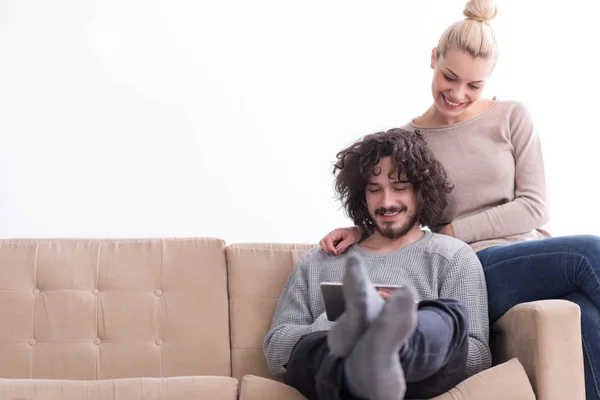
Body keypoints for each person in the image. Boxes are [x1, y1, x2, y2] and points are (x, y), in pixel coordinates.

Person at [318, 0, 600, 398]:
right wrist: (359, 226)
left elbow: (536, 206)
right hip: (473, 266)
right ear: (433, 58)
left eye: (473, 85)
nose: (457, 94)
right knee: (590, 251)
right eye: (449, 77)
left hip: (535, 255)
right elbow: (396, 202)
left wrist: (454, 227)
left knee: (584, 316)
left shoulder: (512, 117)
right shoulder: (408, 141)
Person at [264, 129, 491, 400]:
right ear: (362, 196)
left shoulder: (453, 257)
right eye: (374, 190)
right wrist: (340, 324)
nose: (386, 202)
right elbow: (275, 350)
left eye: (400, 188)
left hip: (412, 378)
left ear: (421, 191)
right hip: (341, 376)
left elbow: (478, 356)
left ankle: (397, 343)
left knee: (445, 316)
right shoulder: (320, 260)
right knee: (319, 349)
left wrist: (407, 328)